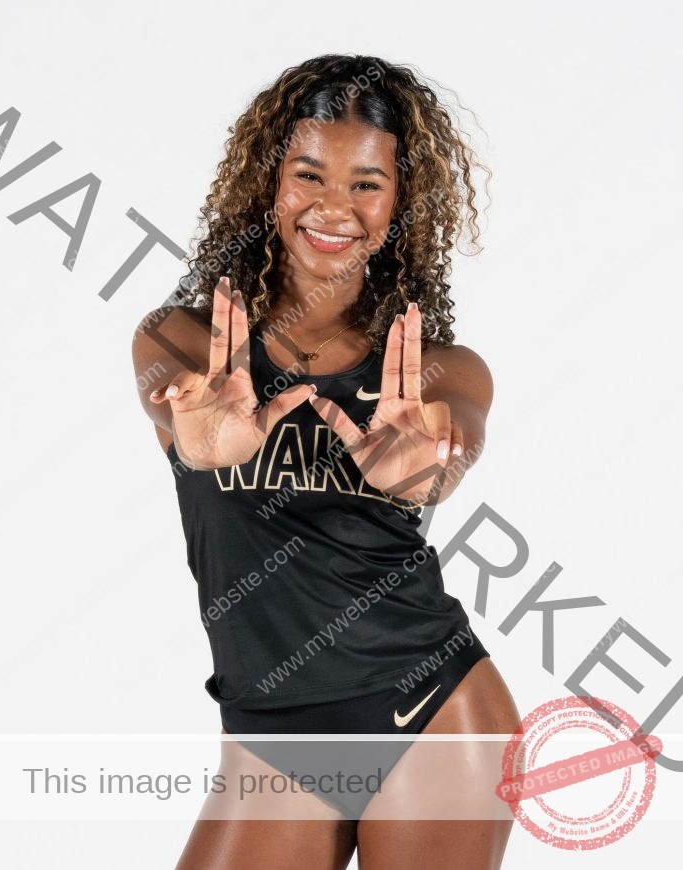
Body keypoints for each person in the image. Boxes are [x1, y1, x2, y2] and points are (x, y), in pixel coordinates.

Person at [132, 53, 521, 869]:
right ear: (270, 183)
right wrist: (197, 440)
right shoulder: (182, 339)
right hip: (273, 733)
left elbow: (450, 450)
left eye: (366, 184)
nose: (333, 207)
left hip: (428, 709)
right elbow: (176, 409)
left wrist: (424, 469)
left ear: (401, 204)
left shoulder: (439, 369)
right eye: (309, 174)